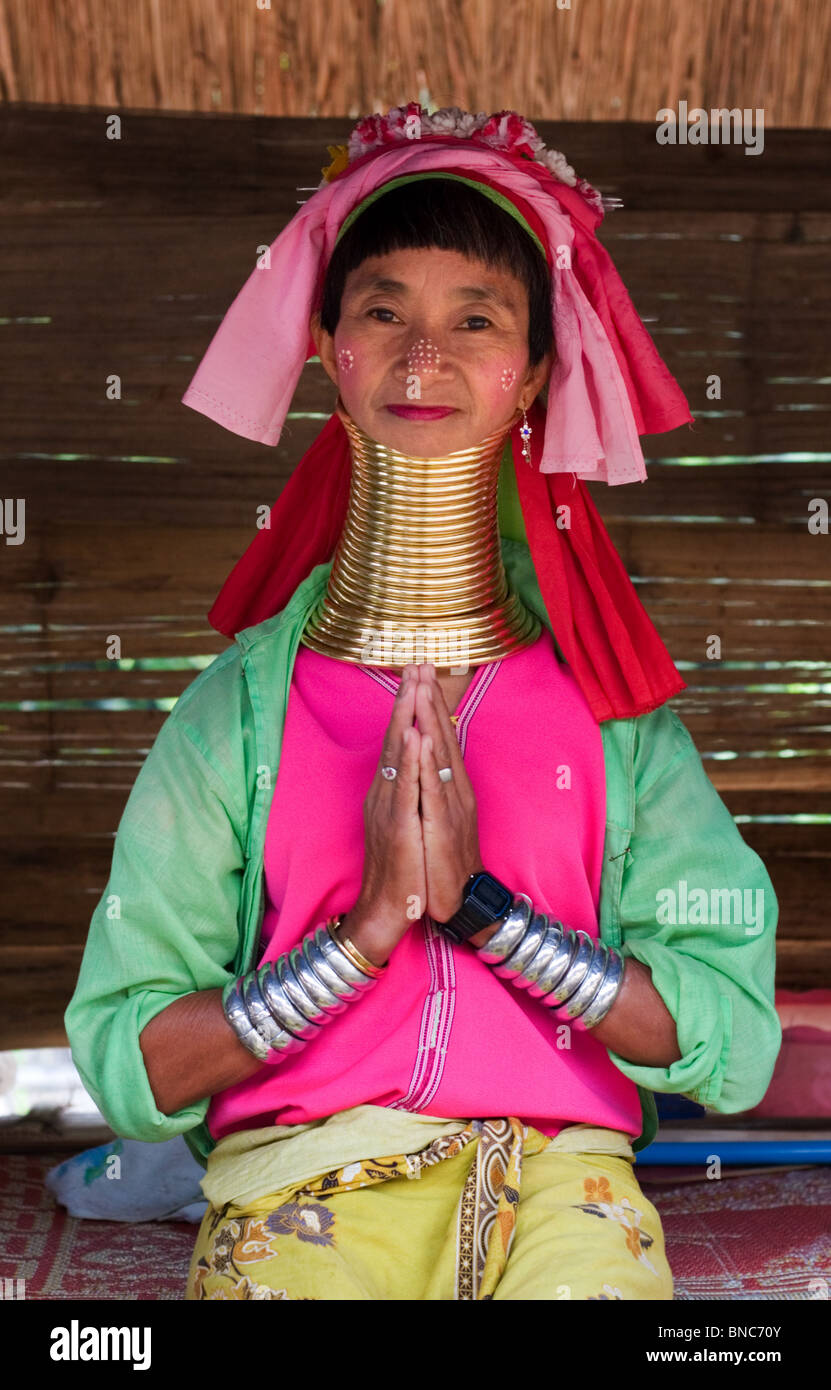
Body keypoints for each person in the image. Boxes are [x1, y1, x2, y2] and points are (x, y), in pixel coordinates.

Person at [64, 104, 781, 1301]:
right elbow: (132, 1062)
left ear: (536, 372)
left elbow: (733, 1037)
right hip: (299, 1182)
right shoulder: (235, 717)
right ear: (327, 347)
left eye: (477, 320)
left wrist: (493, 915)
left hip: (562, 1179)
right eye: (383, 310)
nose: (421, 356)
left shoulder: (612, 717)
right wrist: (366, 936)